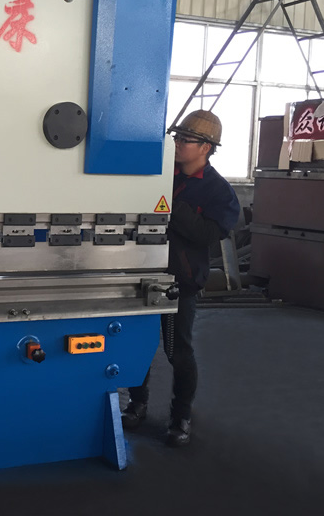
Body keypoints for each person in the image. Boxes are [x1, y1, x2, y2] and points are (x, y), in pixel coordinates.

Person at [121, 109, 240, 447]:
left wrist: (171, 204)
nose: (177, 143)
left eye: (186, 139)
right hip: (140, 272)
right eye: (177, 137)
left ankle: (180, 416)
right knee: (137, 345)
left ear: (206, 147)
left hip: (180, 281)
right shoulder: (158, 174)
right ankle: (137, 403)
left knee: (178, 351)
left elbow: (208, 234)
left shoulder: (218, 192)